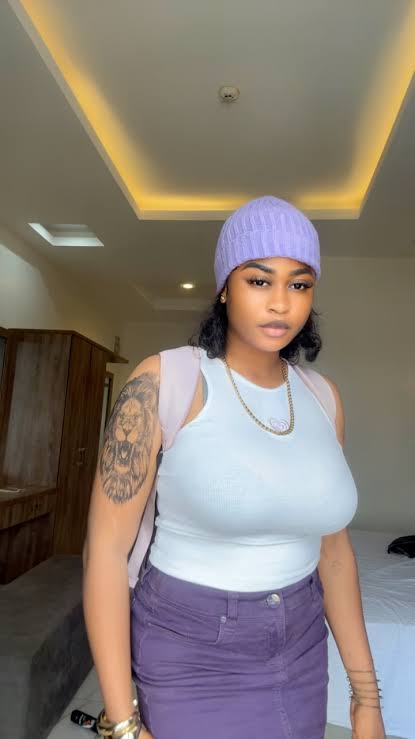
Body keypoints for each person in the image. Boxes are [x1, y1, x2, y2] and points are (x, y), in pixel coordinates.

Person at [83, 195, 386, 739]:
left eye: (299, 284)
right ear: (225, 286)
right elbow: (104, 552)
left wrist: (366, 698)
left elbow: (334, 554)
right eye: (259, 280)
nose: (281, 303)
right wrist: (123, 724)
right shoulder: (166, 380)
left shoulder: (323, 398)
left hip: (301, 645)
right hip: (191, 649)